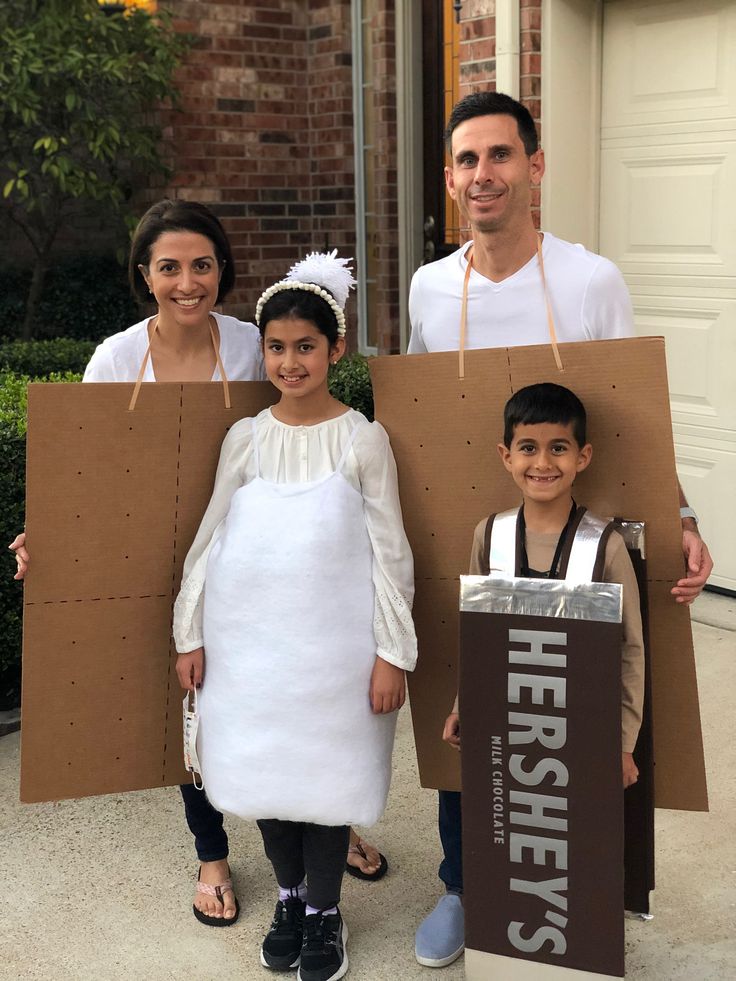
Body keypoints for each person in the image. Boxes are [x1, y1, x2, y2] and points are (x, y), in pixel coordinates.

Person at [408, 91, 712, 967]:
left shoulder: (589, 278)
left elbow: (636, 419)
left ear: (534, 166)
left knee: (572, 720)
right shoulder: (433, 287)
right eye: (466, 160)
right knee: (471, 715)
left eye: (499, 155)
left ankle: (580, 886)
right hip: (478, 540)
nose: (482, 175)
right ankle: (465, 883)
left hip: (580, 540)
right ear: (452, 177)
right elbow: (423, 426)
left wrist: (682, 516)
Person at [172, 250, 417, 981]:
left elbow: (391, 554)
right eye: (275, 346)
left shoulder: (363, 439)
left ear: (336, 348)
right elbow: (209, 538)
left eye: (305, 346)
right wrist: (190, 632)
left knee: (326, 786)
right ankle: (288, 893)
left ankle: (324, 912)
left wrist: (391, 652)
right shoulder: (244, 439)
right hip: (251, 659)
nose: (289, 361)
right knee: (266, 783)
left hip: (335, 663)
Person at [436, 382, 644, 959]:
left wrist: (621, 741)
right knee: (494, 814)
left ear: (583, 457)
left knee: (565, 834)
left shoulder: (605, 546)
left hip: (575, 723)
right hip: (508, 722)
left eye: (559, 448)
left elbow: (630, 650)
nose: (542, 462)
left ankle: (571, 935)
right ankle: (468, 901)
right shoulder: (491, 534)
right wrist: (461, 705)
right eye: (528, 447)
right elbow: (474, 634)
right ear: (506, 456)